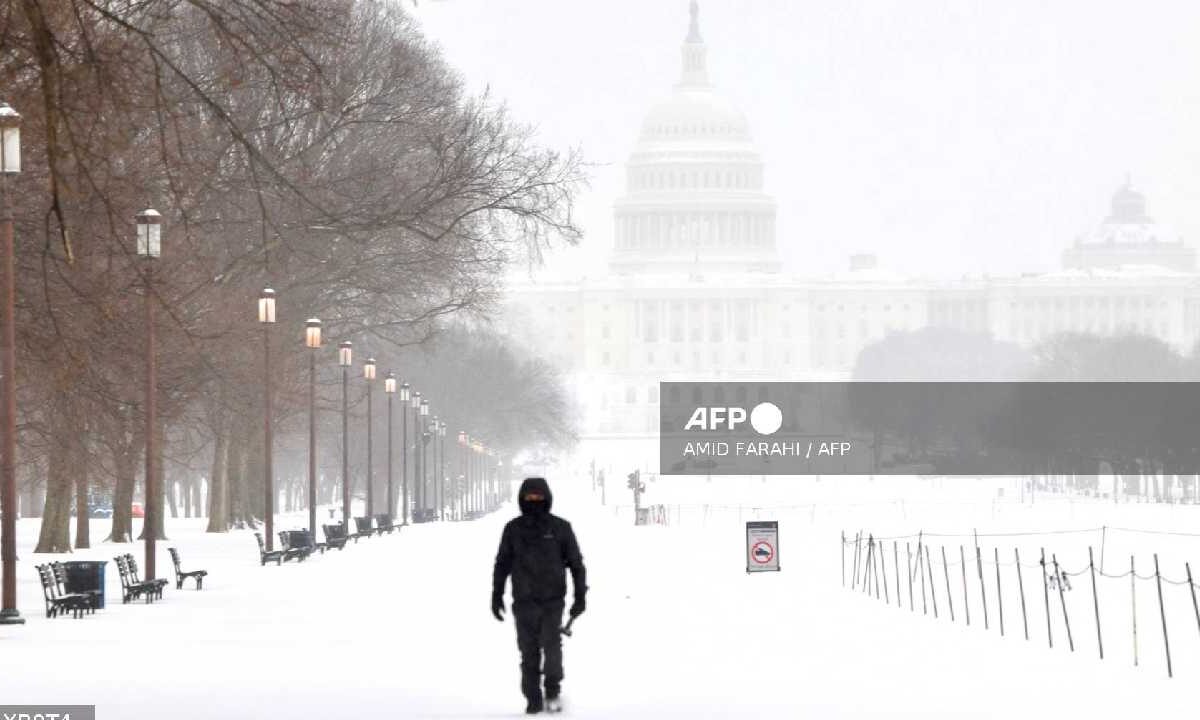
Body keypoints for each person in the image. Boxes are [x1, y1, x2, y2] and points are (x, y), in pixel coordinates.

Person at [492, 477, 587, 714]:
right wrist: (497, 593)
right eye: (529, 496)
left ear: (547, 498)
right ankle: (533, 699)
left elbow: (576, 564)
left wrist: (580, 596)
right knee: (528, 653)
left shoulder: (560, 528)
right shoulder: (513, 529)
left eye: (538, 496)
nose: (534, 500)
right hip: (523, 602)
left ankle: (552, 690)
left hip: (552, 602)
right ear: (522, 499)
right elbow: (502, 563)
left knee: (552, 648)